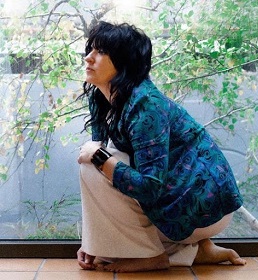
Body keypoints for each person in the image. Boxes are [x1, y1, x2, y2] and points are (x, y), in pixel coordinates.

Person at [77, 21, 246, 273]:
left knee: (96, 163)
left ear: (124, 62)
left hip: (207, 206)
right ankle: (198, 250)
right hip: (176, 197)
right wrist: (92, 243)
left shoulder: (146, 105)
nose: (88, 58)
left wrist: (99, 157)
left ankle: (152, 256)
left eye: (100, 52)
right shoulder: (100, 98)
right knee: (100, 159)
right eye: (90, 49)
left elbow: (150, 187)